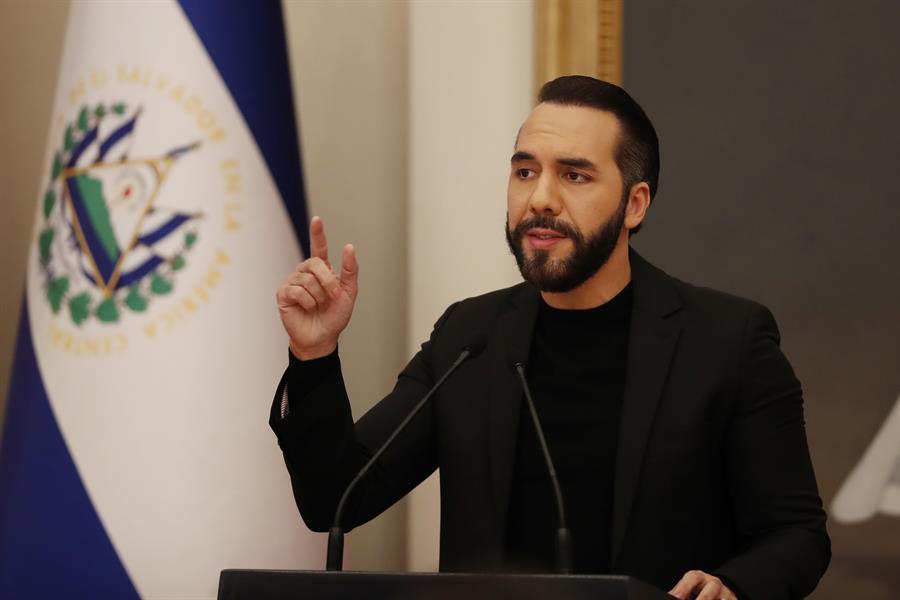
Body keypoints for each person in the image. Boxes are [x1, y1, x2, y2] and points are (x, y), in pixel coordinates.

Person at [271, 76, 830, 600]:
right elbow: (335, 497)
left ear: (635, 204)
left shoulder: (726, 341)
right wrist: (314, 354)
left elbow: (797, 535)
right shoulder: (470, 337)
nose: (540, 198)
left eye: (574, 175)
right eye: (524, 172)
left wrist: (732, 585)